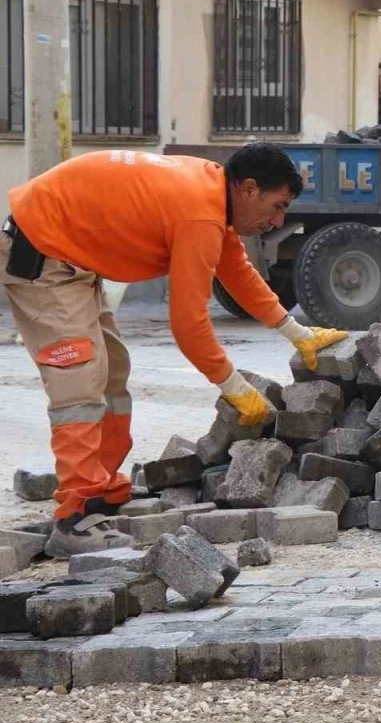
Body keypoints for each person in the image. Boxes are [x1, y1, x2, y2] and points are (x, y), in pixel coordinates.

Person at [1, 144, 348, 557]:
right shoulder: (199, 212)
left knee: (113, 372)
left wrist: (297, 332)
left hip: (70, 252)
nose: (277, 221)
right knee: (79, 381)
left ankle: (100, 491)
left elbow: (236, 271)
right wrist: (233, 385)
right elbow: (188, 323)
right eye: (277, 207)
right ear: (249, 189)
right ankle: (74, 519)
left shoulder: (214, 195)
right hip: (42, 251)